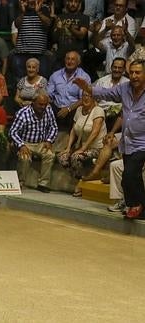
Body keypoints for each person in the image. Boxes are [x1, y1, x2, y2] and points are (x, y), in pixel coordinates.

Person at [74, 60, 145, 219]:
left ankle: (136, 205)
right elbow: (106, 93)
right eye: (132, 72)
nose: (134, 76)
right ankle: (139, 208)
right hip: (127, 142)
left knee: (130, 174)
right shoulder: (125, 89)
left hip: (142, 143)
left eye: (138, 72)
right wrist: (87, 88)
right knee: (130, 177)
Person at [57, 90, 106, 196]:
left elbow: (95, 132)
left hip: (97, 148)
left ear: (94, 98)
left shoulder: (98, 111)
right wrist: (68, 148)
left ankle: (80, 185)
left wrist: (83, 149)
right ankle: (79, 180)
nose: (86, 98)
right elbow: (73, 130)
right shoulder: (79, 109)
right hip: (81, 145)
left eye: (89, 96)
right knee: (62, 157)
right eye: (84, 95)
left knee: (76, 157)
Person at [8, 89, 58, 192]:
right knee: (25, 157)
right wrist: (21, 145)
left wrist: (49, 140)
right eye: (40, 104)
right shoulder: (23, 113)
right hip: (25, 142)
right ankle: (20, 182)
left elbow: (54, 127)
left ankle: (43, 184)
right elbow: (12, 132)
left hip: (41, 143)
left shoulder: (48, 110)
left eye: (45, 104)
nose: (43, 107)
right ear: (33, 102)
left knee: (50, 155)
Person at [47, 50, 91, 129]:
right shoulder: (55, 75)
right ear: (65, 60)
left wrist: (68, 109)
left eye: (73, 59)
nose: (69, 61)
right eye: (68, 59)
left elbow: (84, 98)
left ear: (78, 62)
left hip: (73, 108)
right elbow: (49, 93)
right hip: (56, 107)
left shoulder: (84, 77)